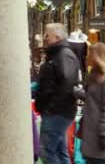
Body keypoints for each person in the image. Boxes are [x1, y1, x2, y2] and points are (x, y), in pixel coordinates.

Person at [36, 23, 80, 164]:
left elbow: (65, 85)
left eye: (47, 35)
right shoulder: (61, 54)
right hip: (58, 111)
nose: (45, 38)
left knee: (47, 151)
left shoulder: (63, 55)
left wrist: (50, 106)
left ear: (57, 36)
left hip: (56, 111)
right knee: (60, 151)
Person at [81, 43, 105, 164]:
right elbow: (95, 100)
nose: (87, 57)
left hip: (99, 135)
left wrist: (104, 133)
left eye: (89, 54)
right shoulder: (93, 77)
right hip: (92, 133)